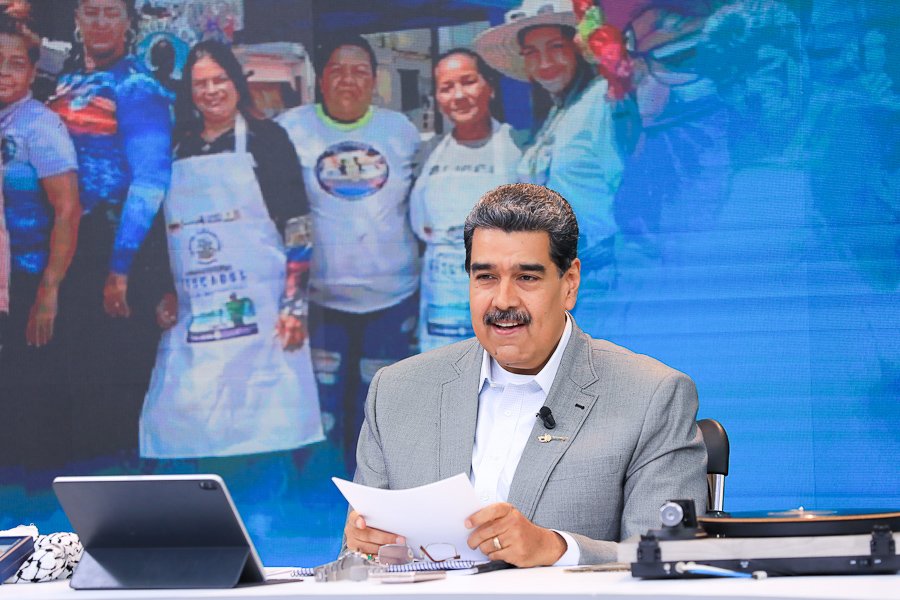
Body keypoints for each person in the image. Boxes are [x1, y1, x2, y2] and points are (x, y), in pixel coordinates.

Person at [346, 183, 707, 566]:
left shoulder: (652, 396)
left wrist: (556, 549)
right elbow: (357, 562)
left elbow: (671, 560)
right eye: (485, 277)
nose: (503, 300)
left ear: (569, 284)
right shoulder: (397, 392)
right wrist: (363, 550)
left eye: (527, 278)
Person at [140, 40, 323, 460]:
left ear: (237, 83)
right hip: (196, 313)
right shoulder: (177, 145)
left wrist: (294, 307)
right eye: (200, 83)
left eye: (220, 79)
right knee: (182, 425)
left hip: (264, 315)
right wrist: (162, 291)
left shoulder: (268, 140)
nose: (211, 91)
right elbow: (159, 232)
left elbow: (297, 226)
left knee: (267, 432)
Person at [277, 34, 420, 474]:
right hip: (320, 301)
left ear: (374, 80)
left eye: (359, 70)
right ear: (320, 79)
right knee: (321, 404)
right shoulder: (289, 128)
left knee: (377, 404)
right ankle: (317, 499)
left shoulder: (402, 132)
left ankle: (373, 498)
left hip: (392, 296)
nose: (348, 79)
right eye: (337, 69)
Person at [48, 0, 172, 465]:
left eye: (110, 13)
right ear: (77, 20)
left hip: (117, 247)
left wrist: (119, 268)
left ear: (127, 23)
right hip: (65, 246)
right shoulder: (64, 78)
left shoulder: (138, 86)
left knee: (113, 379)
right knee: (74, 373)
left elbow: (150, 181)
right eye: (90, 11)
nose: (100, 22)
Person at [474, 0, 636, 335]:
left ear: (578, 47)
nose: (544, 62)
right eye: (532, 52)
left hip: (598, 280)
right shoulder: (558, 111)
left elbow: (630, 193)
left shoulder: (603, 101)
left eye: (555, 47)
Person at [0, 15, 81, 472]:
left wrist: (49, 290)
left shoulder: (39, 125)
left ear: (32, 73)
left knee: (26, 396)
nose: (4, 72)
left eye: (15, 64)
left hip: (29, 280)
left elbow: (67, 210)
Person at [410, 48, 521, 352]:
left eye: (468, 82)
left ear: (491, 87)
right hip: (441, 302)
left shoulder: (519, 145)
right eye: (446, 87)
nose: (458, 95)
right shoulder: (427, 153)